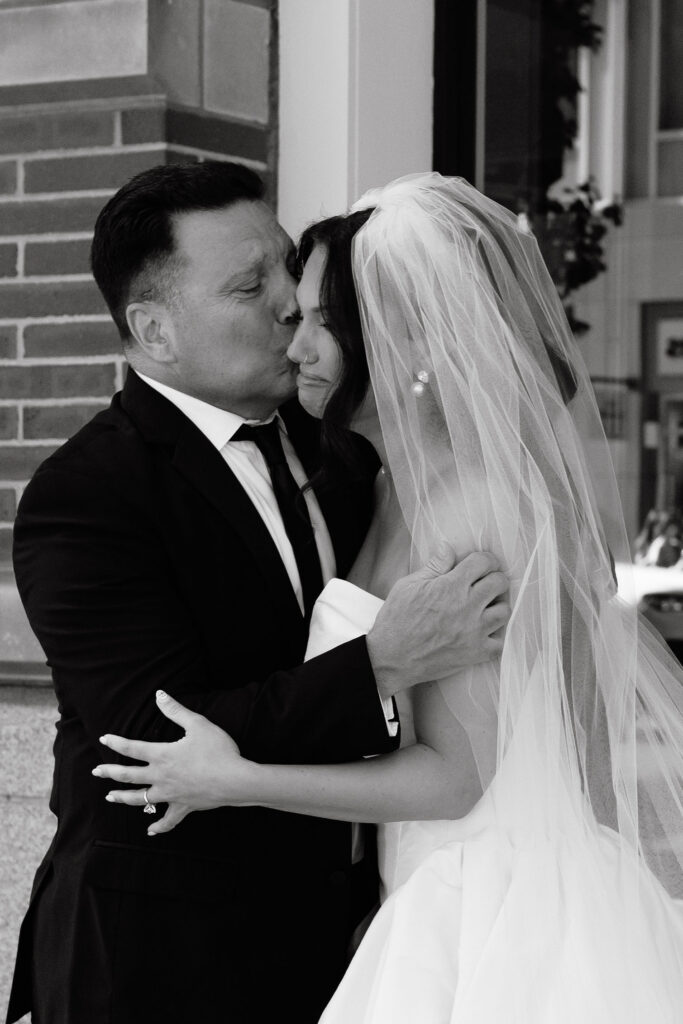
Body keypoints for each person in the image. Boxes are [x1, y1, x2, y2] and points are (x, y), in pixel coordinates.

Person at [97, 173, 683, 1022]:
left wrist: (239, 779)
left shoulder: (475, 508)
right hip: (414, 878)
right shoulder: (378, 486)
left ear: (407, 341)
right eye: (291, 310)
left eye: (323, 323)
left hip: (492, 903)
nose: (295, 343)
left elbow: (455, 779)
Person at [5, 164, 510, 1024]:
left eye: (290, 270)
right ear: (154, 330)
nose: (290, 306)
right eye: (250, 286)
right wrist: (381, 664)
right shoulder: (86, 495)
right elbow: (159, 737)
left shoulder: (349, 448)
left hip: (351, 937)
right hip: (159, 958)